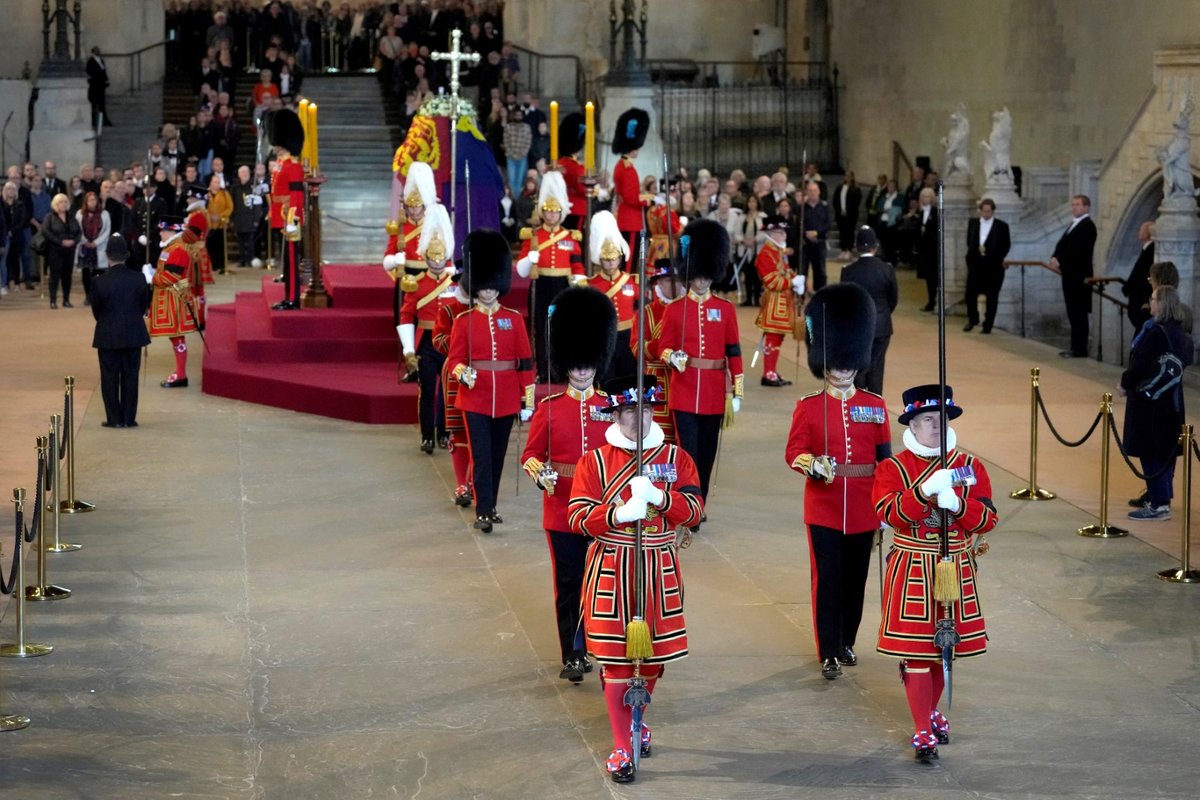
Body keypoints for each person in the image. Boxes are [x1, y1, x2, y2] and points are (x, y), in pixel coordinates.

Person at [567, 372, 704, 784]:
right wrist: (618, 514)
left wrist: (663, 499)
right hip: (611, 566)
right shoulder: (592, 461)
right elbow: (575, 516)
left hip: (659, 570)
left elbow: (696, 511)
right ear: (616, 413)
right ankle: (622, 745)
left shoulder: (676, 458)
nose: (637, 419)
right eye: (628, 411)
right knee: (615, 662)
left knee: (653, 661)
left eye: (644, 410)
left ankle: (637, 717)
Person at [872, 384, 998, 762]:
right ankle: (923, 730)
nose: (936, 428)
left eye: (942, 420)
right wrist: (923, 491)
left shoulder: (971, 467)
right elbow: (889, 513)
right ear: (912, 423)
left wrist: (959, 505)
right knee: (916, 653)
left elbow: (989, 518)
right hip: (912, 568)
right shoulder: (892, 467)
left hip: (954, 568)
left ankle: (928, 713)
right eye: (928, 420)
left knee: (944, 649)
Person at [785, 282, 887, 679]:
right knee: (827, 579)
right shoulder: (809, 407)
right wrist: (812, 464)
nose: (842, 369)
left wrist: (884, 507)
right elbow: (793, 451)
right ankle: (828, 648)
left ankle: (846, 641)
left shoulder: (874, 406)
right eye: (835, 361)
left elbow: (885, 462)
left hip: (863, 507)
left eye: (848, 362)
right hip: (824, 507)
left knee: (856, 580)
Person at [520, 286, 616, 683]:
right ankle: (573, 652)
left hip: (601, 510)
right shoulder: (549, 409)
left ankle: (602, 644)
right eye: (575, 364)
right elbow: (529, 455)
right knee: (568, 582)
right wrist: (539, 473)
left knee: (602, 584)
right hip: (560, 511)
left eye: (587, 363)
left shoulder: (611, 408)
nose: (581, 370)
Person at [447, 229, 535, 533]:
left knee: (498, 456)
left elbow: (525, 363)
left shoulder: (514, 318)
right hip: (475, 397)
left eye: (491, 284)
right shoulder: (463, 321)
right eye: (482, 285)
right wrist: (462, 373)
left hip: (508, 396)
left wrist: (529, 402)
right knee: (481, 455)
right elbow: (454, 360)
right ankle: (483, 510)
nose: (487, 291)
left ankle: (491, 504)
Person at [659, 219, 744, 511]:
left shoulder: (725, 310)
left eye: (706, 275)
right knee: (688, 452)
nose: (702, 280)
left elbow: (734, 353)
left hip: (714, 393)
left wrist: (737, 392)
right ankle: (689, 504)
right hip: (683, 391)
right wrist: (672, 356)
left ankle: (700, 502)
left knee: (707, 453)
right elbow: (662, 348)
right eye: (697, 275)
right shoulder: (673, 310)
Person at [1121, 285, 1193, 521]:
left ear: (1162, 304)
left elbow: (1139, 365)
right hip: (1172, 402)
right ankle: (1161, 498)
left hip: (1150, 402)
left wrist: (1125, 383)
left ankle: (1159, 503)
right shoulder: (1180, 332)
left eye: (1152, 299)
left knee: (1151, 453)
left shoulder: (1155, 332)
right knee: (1164, 453)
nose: (1149, 303)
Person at [515, 171, 585, 381]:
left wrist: (580, 288)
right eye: (548, 211)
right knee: (541, 330)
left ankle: (562, 371)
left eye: (555, 212)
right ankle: (544, 371)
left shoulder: (570, 238)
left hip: (563, 286)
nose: (552, 215)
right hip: (541, 285)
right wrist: (530, 258)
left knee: (563, 330)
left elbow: (578, 267)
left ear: (561, 212)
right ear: (542, 212)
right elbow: (521, 270)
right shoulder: (533, 236)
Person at [399, 204, 456, 453]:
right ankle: (427, 436)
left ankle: (444, 433)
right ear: (425, 257)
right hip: (425, 342)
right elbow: (406, 315)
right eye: (432, 258)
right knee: (428, 390)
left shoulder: (456, 283)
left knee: (447, 391)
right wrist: (408, 349)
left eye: (440, 257)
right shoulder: (416, 284)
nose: (436, 262)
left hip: (449, 341)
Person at [90, 235, 150, 427]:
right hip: (133, 333)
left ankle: (113, 419)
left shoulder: (99, 281)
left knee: (109, 378)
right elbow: (143, 306)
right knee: (131, 377)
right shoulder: (139, 279)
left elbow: (96, 311)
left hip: (107, 334)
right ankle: (128, 418)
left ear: (108, 257)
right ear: (127, 256)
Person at [144, 212, 205, 388]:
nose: (160, 234)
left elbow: (171, 276)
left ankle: (181, 374)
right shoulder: (171, 247)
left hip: (174, 298)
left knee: (177, 338)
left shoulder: (177, 249)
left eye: (163, 230)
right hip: (169, 297)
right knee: (175, 338)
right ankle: (180, 373)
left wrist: (152, 278)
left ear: (171, 231)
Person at [839, 227, 898, 395]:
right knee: (877, 364)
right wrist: (883, 313)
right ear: (875, 246)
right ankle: (875, 401)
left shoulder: (848, 271)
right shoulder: (887, 269)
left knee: (859, 364)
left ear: (857, 248)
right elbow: (893, 299)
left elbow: (844, 301)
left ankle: (859, 400)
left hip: (857, 325)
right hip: (881, 324)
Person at [433, 273, 475, 507]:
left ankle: (472, 481)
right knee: (458, 429)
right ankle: (462, 483)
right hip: (457, 372)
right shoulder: (449, 310)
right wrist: (461, 342)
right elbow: (438, 339)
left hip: (484, 372)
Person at [384, 161, 439, 325]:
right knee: (404, 321)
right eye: (411, 206)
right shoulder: (399, 228)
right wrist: (394, 260)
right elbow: (387, 258)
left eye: (417, 206)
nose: (414, 211)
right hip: (406, 277)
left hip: (430, 277)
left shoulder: (434, 226)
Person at [586, 211, 638, 384]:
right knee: (606, 378)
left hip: (627, 336)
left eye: (614, 259)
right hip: (605, 335)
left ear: (619, 258)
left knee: (628, 377)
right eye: (606, 260)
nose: (610, 263)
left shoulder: (631, 280)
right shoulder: (590, 284)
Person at [754, 214, 800, 387]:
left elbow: (786, 271)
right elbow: (772, 281)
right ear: (771, 233)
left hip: (783, 300)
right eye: (780, 232)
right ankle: (768, 373)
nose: (784, 235)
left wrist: (796, 279)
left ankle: (772, 370)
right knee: (772, 337)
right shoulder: (765, 254)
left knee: (778, 338)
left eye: (784, 232)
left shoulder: (778, 251)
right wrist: (791, 282)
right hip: (774, 301)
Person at [641, 259, 684, 444]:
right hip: (657, 380)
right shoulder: (648, 311)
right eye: (667, 280)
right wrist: (663, 345)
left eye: (676, 280)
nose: (672, 285)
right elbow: (637, 348)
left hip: (683, 378)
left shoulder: (688, 309)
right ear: (658, 282)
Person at [1049, 195, 1097, 358]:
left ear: (1086, 207)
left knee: (1079, 313)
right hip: (1070, 275)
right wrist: (1055, 257)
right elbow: (1063, 245)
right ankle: (1074, 346)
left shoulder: (1088, 226)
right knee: (1072, 312)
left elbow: (1078, 251)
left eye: (1077, 205)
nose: (1073, 207)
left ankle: (1080, 348)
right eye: (1073, 204)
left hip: (1079, 277)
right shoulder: (1075, 224)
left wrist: (1060, 261)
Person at [268, 109, 306, 310]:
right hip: (281, 215)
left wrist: (293, 220)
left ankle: (293, 298)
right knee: (287, 260)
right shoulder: (282, 164)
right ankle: (288, 296)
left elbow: (297, 195)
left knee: (292, 261)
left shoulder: (292, 165)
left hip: (289, 218)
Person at [964, 198, 1012, 333]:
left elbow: (1006, 245)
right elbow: (970, 242)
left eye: (989, 211)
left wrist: (997, 258)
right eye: (984, 211)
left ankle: (988, 324)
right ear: (980, 211)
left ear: (993, 211)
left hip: (993, 267)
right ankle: (972, 319)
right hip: (976, 265)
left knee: (992, 297)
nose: (986, 214)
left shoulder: (1002, 226)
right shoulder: (972, 223)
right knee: (970, 294)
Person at [611, 108, 652, 254]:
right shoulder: (628, 169)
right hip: (631, 221)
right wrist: (651, 199)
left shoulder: (621, 165)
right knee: (630, 260)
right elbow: (632, 198)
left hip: (625, 218)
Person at [43, 193, 81, 309]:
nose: (63, 204)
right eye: (60, 202)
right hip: (55, 250)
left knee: (67, 276)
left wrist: (74, 241)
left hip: (70, 250)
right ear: (55, 204)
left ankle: (66, 300)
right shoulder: (49, 217)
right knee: (54, 276)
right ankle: (53, 301)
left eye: (65, 202)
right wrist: (61, 242)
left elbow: (79, 232)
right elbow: (46, 232)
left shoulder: (71, 217)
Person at [75, 191, 111, 306]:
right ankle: (88, 296)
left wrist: (96, 242)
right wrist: (85, 241)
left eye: (94, 199)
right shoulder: (79, 214)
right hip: (85, 247)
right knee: (86, 273)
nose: (92, 202)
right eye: (90, 200)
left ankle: (99, 297)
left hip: (99, 247)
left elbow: (107, 231)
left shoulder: (104, 214)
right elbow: (78, 229)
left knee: (99, 273)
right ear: (86, 201)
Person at [556, 111, 589, 229]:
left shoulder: (559, 163)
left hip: (561, 208)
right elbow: (583, 190)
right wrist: (596, 191)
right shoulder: (578, 168)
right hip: (578, 208)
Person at [1121, 221, 1156, 332]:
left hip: (1142, 298)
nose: (1138, 232)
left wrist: (1128, 287)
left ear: (1148, 233)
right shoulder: (1147, 249)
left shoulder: (1151, 250)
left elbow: (1143, 274)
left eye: (1141, 230)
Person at [798, 181, 830, 292]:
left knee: (820, 271)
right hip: (805, 244)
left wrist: (816, 233)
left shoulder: (825, 207)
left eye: (815, 190)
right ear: (806, 192)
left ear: (819, 192)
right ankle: (801, 295)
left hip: (819, 243)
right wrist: (806, 233)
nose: (812, 193)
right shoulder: (802, 208)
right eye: (810, 190)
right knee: (802, 271)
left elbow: (828, 224)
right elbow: (799, 224)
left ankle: (821, 293)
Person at [915, 187, 939, 311]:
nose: (925, 199)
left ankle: (934, 301)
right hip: (924, 249)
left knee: (933, 277)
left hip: (933, 250)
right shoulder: (922, 212)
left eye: (928, 196)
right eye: (923, 196)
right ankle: (931, 301)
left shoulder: (935, 212)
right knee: (928, 278)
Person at [205, 174, 233, 274]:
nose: (216, 184)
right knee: (210, 246)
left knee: (220, 246)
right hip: (209, 225)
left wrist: (221, 215)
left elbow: (230, 207)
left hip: (221, 225)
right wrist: (209, 215)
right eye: (214, 182)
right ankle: (211, 266)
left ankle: (221, 266)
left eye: (218, 182)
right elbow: (202, 208)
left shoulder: (224, 193)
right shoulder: (206, 194)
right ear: (210, 183)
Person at [832, 171, 862, 260]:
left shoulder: (856, 188)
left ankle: (849, 250)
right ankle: (843, 249)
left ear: (852, 177)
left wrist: (848, 210)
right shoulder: (840, 187)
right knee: (842, 232)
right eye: (846, 176)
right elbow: (835, 200)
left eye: (849, 176)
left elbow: (856, 202)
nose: (847, 178)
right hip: (840, 214)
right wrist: (839, 210)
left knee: (849, 232)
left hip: (851, 215)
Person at [86, 47, 112, 128]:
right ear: (93, 52)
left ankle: (104, 121)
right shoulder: (91, 61)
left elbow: (103, 71)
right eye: (96, 51)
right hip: (94, 86)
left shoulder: (101, 61)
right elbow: (90, 72)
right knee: (94, 104)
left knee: (102, 104)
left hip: (101, 86)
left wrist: (106, 80)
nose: (98, 52)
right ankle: (93, 121)